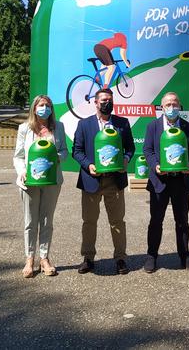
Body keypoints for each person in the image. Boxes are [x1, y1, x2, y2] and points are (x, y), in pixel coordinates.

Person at [72, 88, 135, 274]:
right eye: (104, 100)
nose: (107, 103)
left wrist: (125, 159)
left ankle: (121, 259)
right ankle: (88, 258)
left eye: (110, 100)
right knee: (89, 221)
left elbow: (130, 148)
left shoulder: (122, 123)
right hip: (91, 180)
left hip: (114, 180)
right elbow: (77, 150)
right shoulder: (84, 124)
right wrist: (88, 165)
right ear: (96, 102)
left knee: (117, 221)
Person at [143, 92, 189, 273]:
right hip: (160, 181)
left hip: (180, 181)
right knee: (156, 220)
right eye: (168, 104)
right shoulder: (153, 126)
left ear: (180, 106)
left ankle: (185, 256)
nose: (172, 107)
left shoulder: (187, 127)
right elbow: (148, 150)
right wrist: (155, 165)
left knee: (182, 220)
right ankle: (152, 256)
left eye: (175, 104)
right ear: (162, 107)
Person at [13, 95, 68, 279]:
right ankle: (29, 258)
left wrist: (55, 159)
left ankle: (44, 258)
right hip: (30, 181)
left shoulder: (58, 127)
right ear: (34, 108)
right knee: (30, 221)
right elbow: (18, 155)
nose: (45, 108)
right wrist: (21, 171)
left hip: (52, 181)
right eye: (41, 105)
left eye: (48, 105)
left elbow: (64, 151)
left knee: (46, 221)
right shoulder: (24, 128)